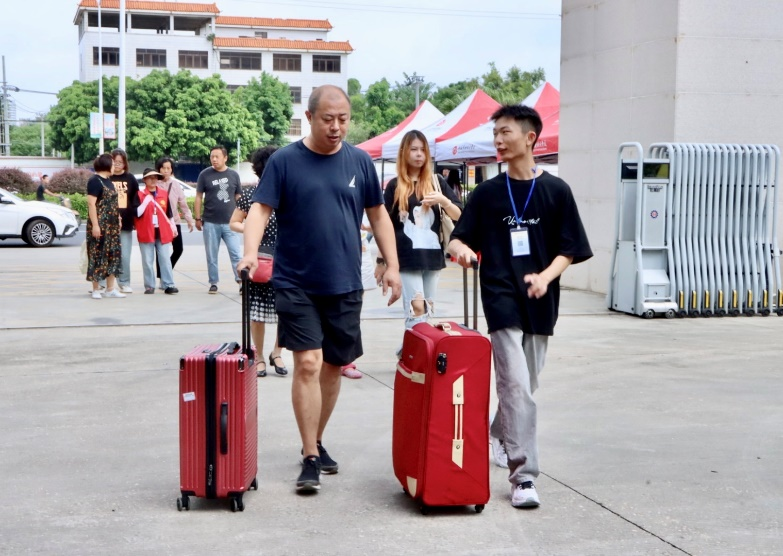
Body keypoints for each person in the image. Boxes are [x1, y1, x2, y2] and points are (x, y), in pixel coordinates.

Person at [237, 84, 401, 494]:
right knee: (308, 363)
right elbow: (260, 209)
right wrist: (251, 252)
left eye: (343, 119)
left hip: (344, 281)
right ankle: (310, 454)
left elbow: (378, 215)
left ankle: (317, 438)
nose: (336, 127)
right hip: (296, 280)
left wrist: (393, 264)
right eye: (328, 119)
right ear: (309, 118)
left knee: (333, 365)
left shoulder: (360, 161)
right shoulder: (285, 161)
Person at [448, 105, 593, 508]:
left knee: (525, 386)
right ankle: (523, 476)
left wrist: (545, 277)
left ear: (529, 138)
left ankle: (500, 431)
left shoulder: (557, 191)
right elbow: (458, 237)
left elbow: (570, 249)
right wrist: (462, 251)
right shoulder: (487, 193)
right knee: (514, 383)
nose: (498, 139)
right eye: (495, 133)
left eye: (505, 132)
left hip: (541, 297)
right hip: (500, 295)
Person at [379, 130, 462, 346]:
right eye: (414, 149)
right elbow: (384, 225)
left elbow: (459, 215)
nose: (419, 154)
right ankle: (414, 353)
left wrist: (443, 200)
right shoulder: (395, 185)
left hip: (432, 256)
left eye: (423, 150)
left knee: (428, 308)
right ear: (404, 152)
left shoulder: (437, 182)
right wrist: (382, 261)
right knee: (416, 307)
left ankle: (414, 352)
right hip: (406, 257)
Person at [230, 146, 287, 378]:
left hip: (286, 259)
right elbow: (234, 222)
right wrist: (253, 229)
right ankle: (260, 356)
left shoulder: (289, 193)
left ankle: (277, 352)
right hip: (259, 260)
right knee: (257, 313)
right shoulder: (251, 194)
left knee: (287, 311)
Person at [194, 146, 243, 294]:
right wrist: (197, 217)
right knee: (211, 255)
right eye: (212, 157)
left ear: (225, 158)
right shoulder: (204, 175)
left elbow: (238, 197)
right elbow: (198, 197)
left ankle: (241, 281)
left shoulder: (234, 175)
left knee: (236, 254)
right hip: (210, 222)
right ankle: (213, 282)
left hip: (231, 222)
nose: (214, 159)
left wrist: (243, 216)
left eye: (217, 156)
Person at [85, 153, 126, 300]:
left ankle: (110, 289)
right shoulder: (94, 181)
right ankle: (96, 289)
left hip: (112, 226)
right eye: (113, 164)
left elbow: (113, 203)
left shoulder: (109, 181)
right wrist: (95, 225)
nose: (115, 166)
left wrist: (118, 218)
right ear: (106, 165)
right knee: (97, 254)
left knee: (113, 255)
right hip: (100, 225)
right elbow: (91, 204)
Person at [136, 168, 178, 295]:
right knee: (147, 261)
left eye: (155, 177)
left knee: (165, 259)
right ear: (144, 180)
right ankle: (149, 286)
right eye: (150, 177)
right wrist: (145, 203)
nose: (153, 180)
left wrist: (173, 226)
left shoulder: (163, 193)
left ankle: (168, 284)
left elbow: (168, 212)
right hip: (146, 231)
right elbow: (136, 213)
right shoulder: (139, 195)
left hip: (162, 231)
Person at [154, 156, 195, 289]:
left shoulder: (176, 184)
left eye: (168, 168)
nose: (166, 171)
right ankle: (163, 278)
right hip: (159, 223)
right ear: (159, 169)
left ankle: (166, 273)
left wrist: (189, 219)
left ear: (171, 170)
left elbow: (183, 203)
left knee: (178, 249)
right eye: (163, 168)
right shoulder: (154, 184)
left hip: (174, 222)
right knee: (161, 252)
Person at [109, 148, 140, 293]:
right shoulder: (106, 177)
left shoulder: (130, 178)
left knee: (125, 255)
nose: (117, 164)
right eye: (114, 162)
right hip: (108, 222)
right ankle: (102, 283)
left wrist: (135, 219)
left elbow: (135, 200)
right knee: (106, 253)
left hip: (126, 223)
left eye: (120, 162)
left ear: (125, 163)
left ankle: (124, 282)